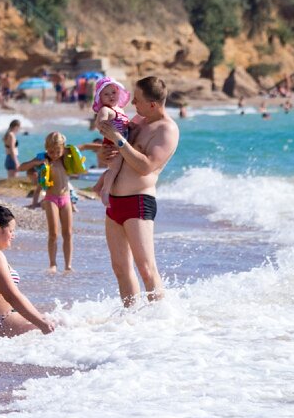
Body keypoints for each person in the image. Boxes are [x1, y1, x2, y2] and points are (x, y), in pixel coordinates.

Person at [98, 76, 180, 307]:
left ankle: (158, 319)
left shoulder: (167, 130)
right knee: (120, 267)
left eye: (138, 100)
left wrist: (119, 139)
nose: (133, 102)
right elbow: (115, 149)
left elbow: (145, 166)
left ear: (153, 104)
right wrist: (103, 154)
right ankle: (131, 320)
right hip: (114, 202)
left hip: (138, 202)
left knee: (146, 267)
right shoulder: (138, 120)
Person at [0, 205, 55, 338]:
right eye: (11, 231)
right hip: (2, 325)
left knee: (67, 322)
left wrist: (41, 319)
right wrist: (42, 323)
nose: (13, 235)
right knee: (64, 327)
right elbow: (12, 296)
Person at [17, 133, 96, 273]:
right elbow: (21, 167)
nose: (54, 154)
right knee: (53, 233)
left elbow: (84, 146)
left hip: (66, 199)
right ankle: (53, 264)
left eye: (57, 151)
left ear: (63, 148)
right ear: (46, 148)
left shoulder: (66, 155)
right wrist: (35, 163)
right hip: (50, 198)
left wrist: (107, 146)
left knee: (68, 233)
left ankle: (68, 265)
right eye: (51, 151)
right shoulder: (43, 158)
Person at [89, 78, 131, 206]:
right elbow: (99, 124)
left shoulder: (120, 110)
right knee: (115, 168)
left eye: (113, 92)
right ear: (100, 98)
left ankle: (97, 186)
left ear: (119, 93)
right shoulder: (105, 110)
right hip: (112, 143)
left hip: (121, 142)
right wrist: (104, 127)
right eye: (106, 94)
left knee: (115, 168)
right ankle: (105, 192)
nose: (110, 96)